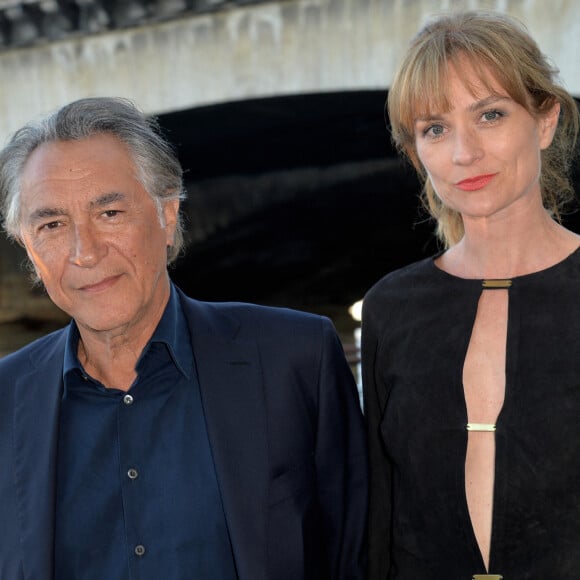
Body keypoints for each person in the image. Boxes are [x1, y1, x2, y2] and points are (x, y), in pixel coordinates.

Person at [0, 97, 368, 580]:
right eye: (51, 225)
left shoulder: (295, 360)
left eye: (109, 212)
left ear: (167, 214)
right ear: (27, 246)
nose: (83, 252)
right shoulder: (6, 398)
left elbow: (356, 560)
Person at [362, 10, 580, 580]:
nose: (464, 152)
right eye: (435, 128)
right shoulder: (392, 308)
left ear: (545, 120)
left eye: (490, 115)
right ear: (417, 153)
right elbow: (383, 515)